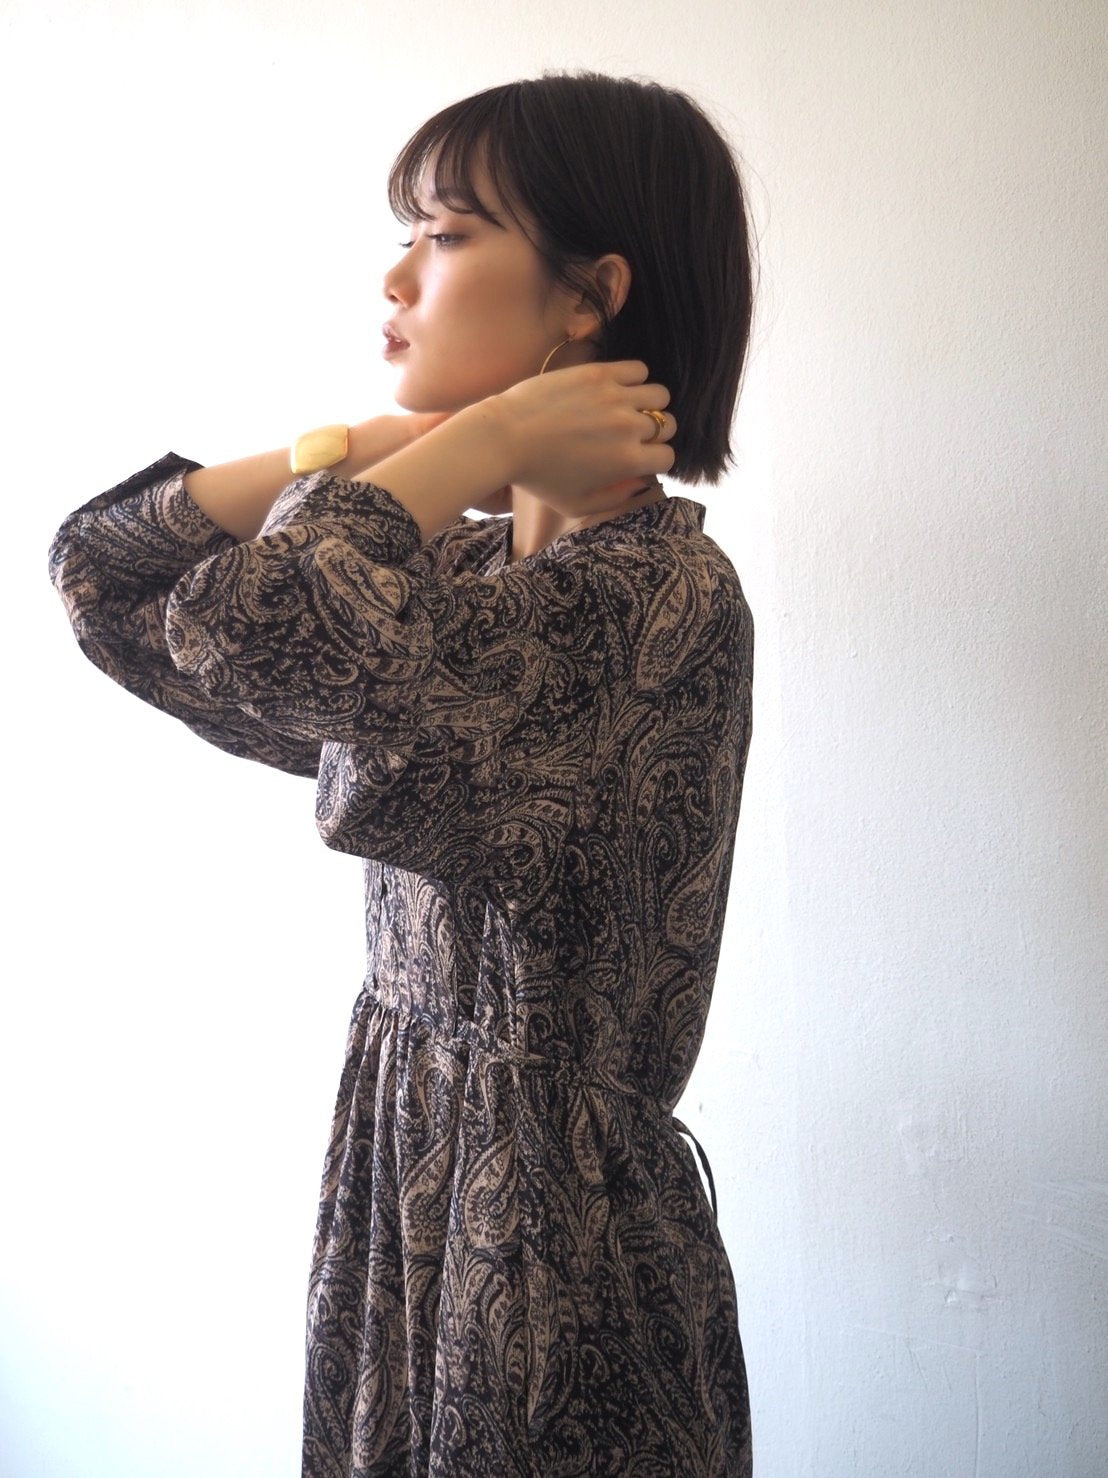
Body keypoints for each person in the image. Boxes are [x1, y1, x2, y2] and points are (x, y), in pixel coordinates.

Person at [47, 68, 758, 1477]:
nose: (396, 275)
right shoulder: (463, 578)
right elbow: (105, 581)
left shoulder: (651, 602)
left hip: (548, 1262)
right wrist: (363, 454)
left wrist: (472, 441)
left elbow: (263, 626)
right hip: (410, 1183)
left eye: (445, 234)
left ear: (590, 295)